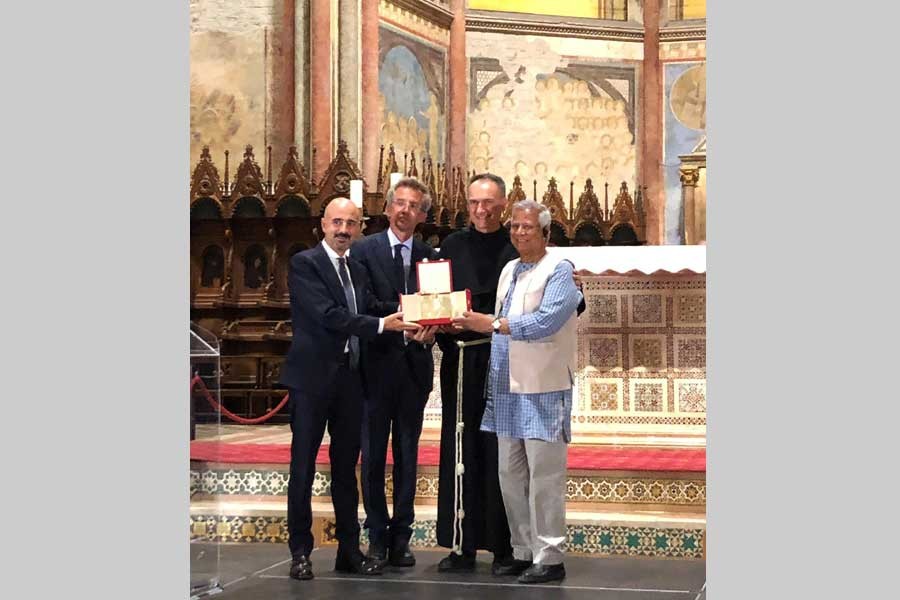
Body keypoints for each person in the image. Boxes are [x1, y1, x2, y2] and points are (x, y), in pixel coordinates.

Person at [278, 197, 419, 581]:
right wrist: (382, 326)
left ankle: (348, 550)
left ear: (360, 228)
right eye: (337, 222)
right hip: (311, 382)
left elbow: (373, 305)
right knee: (303, 468)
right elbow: (328, 315)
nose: (343, 230)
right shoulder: (305, 263)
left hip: (351, 380)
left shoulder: (355, 267)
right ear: (323, 224)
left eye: (351, 224)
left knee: (345, 470)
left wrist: (420, 311)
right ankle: (300, 551)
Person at [454, 200, 582, 584]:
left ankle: (551, 555)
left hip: (543, 387)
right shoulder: (510, 268)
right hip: (506, 387)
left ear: (546, 233)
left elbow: (546, 321)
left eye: (528, 227)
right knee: (509, 474)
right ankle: (524, 550)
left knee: (544, 476)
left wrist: (491, 324)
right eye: (515, 227)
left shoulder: (560, 271)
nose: (520, 233)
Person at [433, 173, 519, 573]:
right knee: (461, 446)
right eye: (474, 203)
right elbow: (436, 298)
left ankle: (505, 547)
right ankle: (461, 545)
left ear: (503, 204)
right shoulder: (451, 245)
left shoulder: (516, 245)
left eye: (489, 203)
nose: (481, 211)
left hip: (504, 360)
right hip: (462, 360)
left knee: (501, 452)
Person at [351, 177, 438, 568]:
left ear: (423, 215)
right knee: (372, 456)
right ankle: (377, 538)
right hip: (375, 366)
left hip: (414, 368)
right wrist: (406, 313)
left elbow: (437, 304)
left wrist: (432, 323)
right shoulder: (364, 250)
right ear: (387, 209)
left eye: (414, 205)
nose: (406, 210)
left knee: (407, 453)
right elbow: (365, 301)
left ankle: (402, 537)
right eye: (399, 203)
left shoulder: (429, 255)